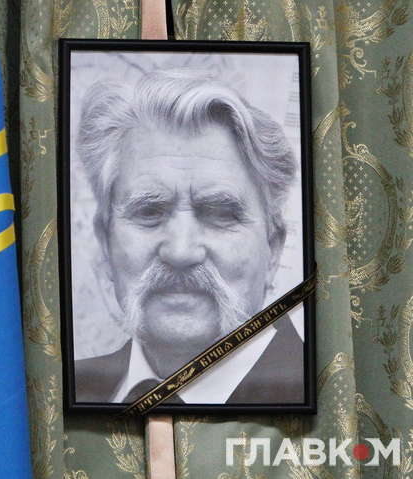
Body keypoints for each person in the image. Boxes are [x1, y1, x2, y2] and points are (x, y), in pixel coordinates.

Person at [74, 71, 304, 404]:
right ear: (105, 244)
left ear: (273, 249)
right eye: (148, 211)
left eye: (221, 214)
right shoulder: (50, 402)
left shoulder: (334, 402)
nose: (181, 251)